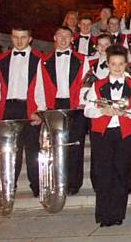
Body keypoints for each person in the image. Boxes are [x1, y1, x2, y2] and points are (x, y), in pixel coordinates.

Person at [84, 45, 131, 227]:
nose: (117, 68)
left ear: (126, 64)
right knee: (103, 173)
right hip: (102, 134)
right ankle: (103, 214)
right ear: (107, 64)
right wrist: (103, 111)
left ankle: (118, 214)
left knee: (120, 173)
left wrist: (127, 112)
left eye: (120, 64)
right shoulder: (97, 85)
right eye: (113, 64)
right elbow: (87, 110)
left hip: (125, 133)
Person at [0, 25, 44, 198]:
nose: (19, 41)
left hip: (30, 108)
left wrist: (40, 110)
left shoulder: (39, 59)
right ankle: (6, 188)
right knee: (8, 150)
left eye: (23, 37)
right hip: (8, 108)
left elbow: (43, 88)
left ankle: (38, 187)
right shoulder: (1, 59)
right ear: (11, 37)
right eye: (16, 37)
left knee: (32, 149)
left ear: (30, 38)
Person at [35, 26, 90, 195]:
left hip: (76, 105)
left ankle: (74, 183)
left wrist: (82, 102)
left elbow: (87, 83)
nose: (64, 39)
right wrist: (41, 108)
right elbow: (39, 86)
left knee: (75, 145)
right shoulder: (44, 61)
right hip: (54, 105)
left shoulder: (82, 59)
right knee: (54, 145)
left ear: (72, 39)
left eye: (67, 36)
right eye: (60, 35)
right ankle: (57, 181)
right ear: (54, 37)